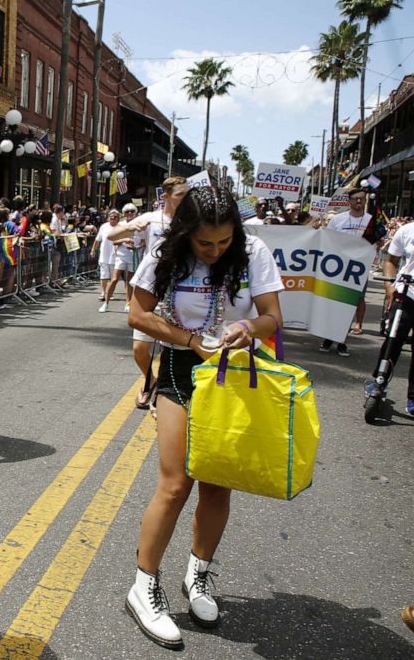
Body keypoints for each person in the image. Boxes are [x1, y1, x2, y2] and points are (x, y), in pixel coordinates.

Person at [125, 187, 284, 649]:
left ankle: (198, 577)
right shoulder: (163, 253)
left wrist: (247, 327)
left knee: (217, 481)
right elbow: (137, 314)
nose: (215, 251)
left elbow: (273, 316)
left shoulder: (253, 251)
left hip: (232, 375)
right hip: (180, 367)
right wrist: (191, 340)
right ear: (186, 233)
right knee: (175, 483)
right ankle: (143, 586)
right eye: (204, 244)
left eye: (223, 242)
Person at [110, 176, 190, 409]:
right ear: (165, 196)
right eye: (180, 195)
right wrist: (129, 229)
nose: (185, 200)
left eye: (188, 195)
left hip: (180, 291)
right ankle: (150, 378)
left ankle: (162, 391)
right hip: (150, 290)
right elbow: (111, 236)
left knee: (172, 348)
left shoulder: (191, 221)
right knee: (139, 349)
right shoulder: (151, 219)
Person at [365, 216, 414, 415]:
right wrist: (389, 287)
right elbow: (391, 260)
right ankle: (379, 380)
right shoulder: (407, 230)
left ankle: (412, 397)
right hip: (407, 293)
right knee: (393, 340)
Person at [322, 187, 371, 355]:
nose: (358, 201)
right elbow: (328, 241)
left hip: (359, 269)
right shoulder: (338, 220)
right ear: (349, 201)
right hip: (339, 268)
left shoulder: (372, 221)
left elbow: (378, 243)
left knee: (352, 303)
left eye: (361, 199)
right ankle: (328, 337)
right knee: (335, 302)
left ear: (365, 201)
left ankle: (342, 340)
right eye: (355, 199)